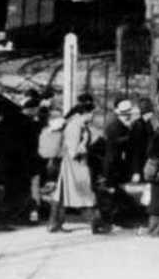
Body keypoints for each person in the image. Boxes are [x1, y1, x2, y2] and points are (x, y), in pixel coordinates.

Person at [48, 97, 96, 232]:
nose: (92, 116)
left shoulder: (79, 125)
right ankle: (95, 223)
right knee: (84, 193)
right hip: (75, 165)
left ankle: (54, 223)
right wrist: (84, 145)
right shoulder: (75, 126)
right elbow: (73, 151)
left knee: (62, 193)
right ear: (83, 114)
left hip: (71, 165)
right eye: (91, 113)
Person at [94, 99, 137, 233]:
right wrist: (130, 137)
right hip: (111, 165)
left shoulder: (120, 124)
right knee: (110, 195)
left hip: (115, 165)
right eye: (126, 114)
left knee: (115, 195)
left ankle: (113, 221)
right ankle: (106, 222)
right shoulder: (114, 126)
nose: (128, 116)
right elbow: (113, 144)